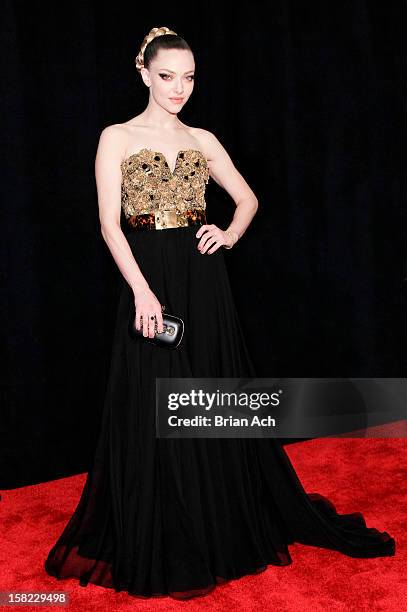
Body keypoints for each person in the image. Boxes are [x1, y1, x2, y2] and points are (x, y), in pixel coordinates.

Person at [44, 26, 396, 600]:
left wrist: (228, 233)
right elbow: (109, 223)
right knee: (151, 400)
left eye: (188, 77)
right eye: (167, 77)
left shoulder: (203, 139)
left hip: (203, 281)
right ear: (143, 73)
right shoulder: (117, 137)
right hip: (147, 275)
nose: (179, 89)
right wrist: (141, 291)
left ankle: (220, 521)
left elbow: (249, 198)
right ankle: (165, 529)